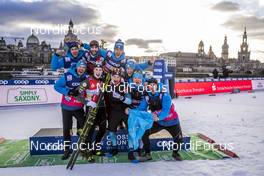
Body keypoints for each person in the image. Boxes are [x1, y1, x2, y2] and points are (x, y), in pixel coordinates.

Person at [137, 77, 183, 161]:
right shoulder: (147, 96)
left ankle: (175, 153)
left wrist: (157, 117)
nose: (152, 87)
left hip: (171, 121)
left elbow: (166, 111)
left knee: (179, 139)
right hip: (158, 122)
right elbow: (141, 109)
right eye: (150, 86)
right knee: (144, 132)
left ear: (157, 85)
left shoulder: (165, 94)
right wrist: (133, 112)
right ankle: (147, 154)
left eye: (153, 85)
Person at [54, 60, 88, 160]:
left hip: (79, 108)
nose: (81, 69)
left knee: (82, 128)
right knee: (66, 129)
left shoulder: (86, 78)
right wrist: (68, 92)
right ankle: (67, 150)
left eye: (83, 67)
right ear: (76, 67)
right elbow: (57, 86)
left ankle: (82, 147)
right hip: (66, 108)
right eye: (80, 67)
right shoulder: (68, 75)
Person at [77, 61, 107, 157]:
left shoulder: (104, 81)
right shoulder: (88, 81)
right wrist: (87, 102)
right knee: (90, 129)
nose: (98, 71)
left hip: (102, 108)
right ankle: (88, 150)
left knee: (102, 129)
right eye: (96, 69)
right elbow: (78, 94)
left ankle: (96, 148)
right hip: (91, 107)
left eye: (100, 70)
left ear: (102, 71)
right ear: (93, 70)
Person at [105, 68, 132, 158]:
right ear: (111, 77)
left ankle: (131, 151)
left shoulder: (125, 86)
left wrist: (121, 97)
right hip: (114, 112)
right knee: (111, 132)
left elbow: (129, 101)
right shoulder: (107, 86)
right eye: (114, 76)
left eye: (118, 76)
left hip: (125, 111)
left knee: (130, 131)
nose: (116, 78)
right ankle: (114, 149)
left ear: (120, 78)